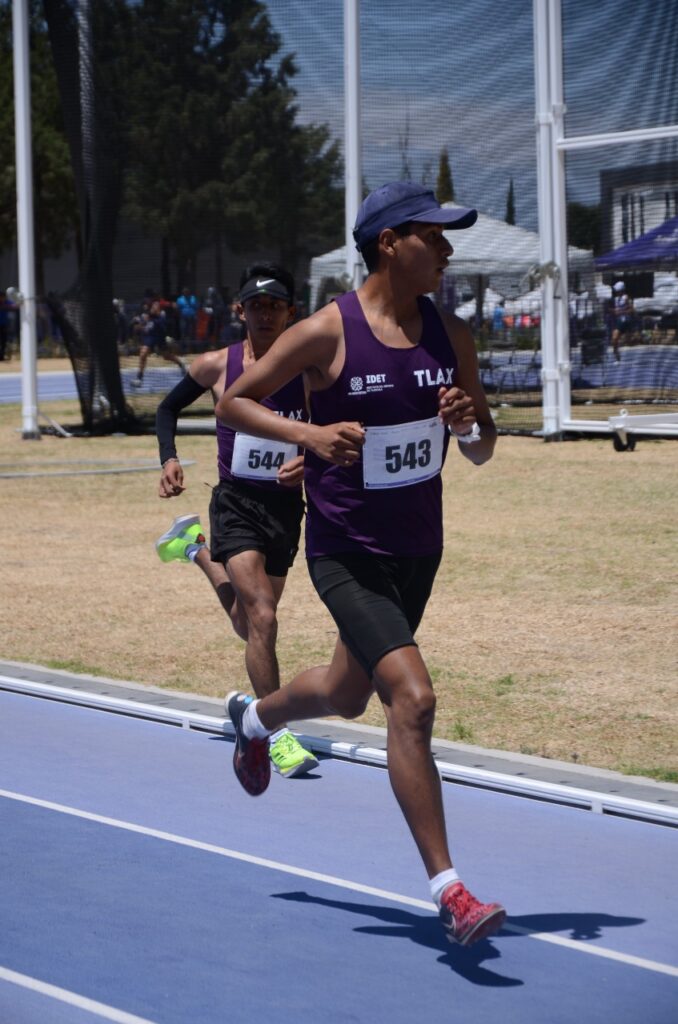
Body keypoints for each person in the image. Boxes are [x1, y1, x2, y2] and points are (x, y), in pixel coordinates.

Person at [215, 181, 506, 947]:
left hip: (418, 550)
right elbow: (233, 402)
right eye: (432, 237)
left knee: (347, 695)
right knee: (411, 697)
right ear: (389, 243)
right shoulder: (326, 332)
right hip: (345, 551)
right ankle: (451, 891)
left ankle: (254, 719)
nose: (446, 251)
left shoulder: (452, 335)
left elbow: (481, 449)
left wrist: (467, 425)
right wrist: (309, 437)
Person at [154, 262, 320, 780]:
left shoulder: (309, 369)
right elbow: (166, 409)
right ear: (240, 310)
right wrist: (169, 457)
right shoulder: (215, 365)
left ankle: (195, 548)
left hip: (285, 508)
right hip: (236, 504)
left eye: (275, 306)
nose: (265, 314)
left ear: (291, 312)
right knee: (263, 618)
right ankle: (276, 732)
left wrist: (307, 462)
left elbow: (327, 430)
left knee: (248, 624)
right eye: (256, 306)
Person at [131, 300, 186, 387]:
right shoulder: (147, 315)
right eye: (153, 306)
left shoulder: (161, 317)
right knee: (143, 354)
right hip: (149, 337)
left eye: (156, 307)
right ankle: (139, 379)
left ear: (159, 309)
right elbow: (140, 326)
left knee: (166, 356)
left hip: (159, 338)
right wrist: (138, 324)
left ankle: (180, 363)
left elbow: (162, 327)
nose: (153, 308)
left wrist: (150, 319)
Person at [610, 280, 633, 362]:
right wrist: (613, 311)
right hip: (618, 320)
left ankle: (619, 351)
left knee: (618, 338)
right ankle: (617, 357)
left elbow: (631, 310)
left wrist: (621, 312)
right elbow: (614, 310)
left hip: (625, 320)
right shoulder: (616, 299)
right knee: (614, 339)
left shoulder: (626, 298)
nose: (616, 292)